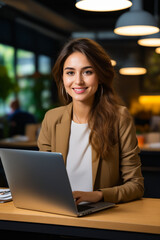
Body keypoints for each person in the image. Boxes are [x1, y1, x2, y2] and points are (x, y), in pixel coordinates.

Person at [38, 38, 144, 205]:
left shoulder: (119, 118)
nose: (78, 81)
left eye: (87, 72)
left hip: (100, 216)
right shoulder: (52, 118)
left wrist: (99, 195)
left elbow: (136, 185)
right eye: (70, 72)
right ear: (62, 77)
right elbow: (43, 177)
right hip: (59, 211)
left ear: (100, 76)